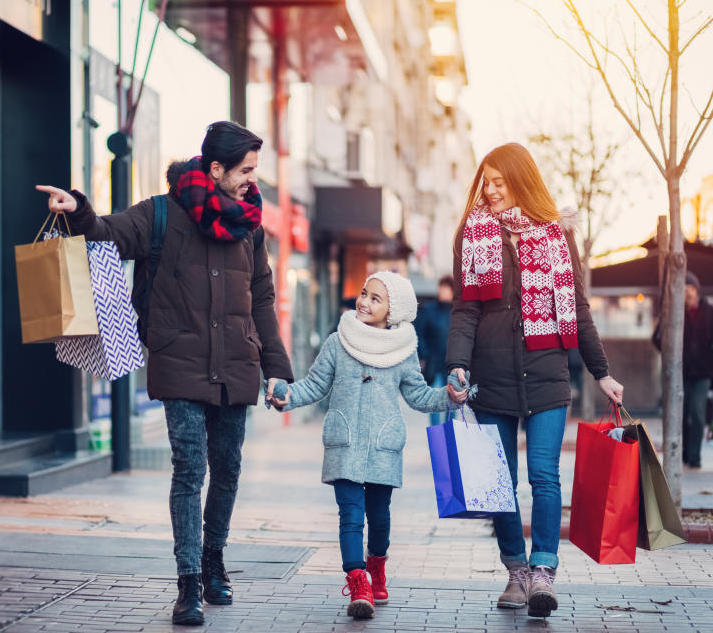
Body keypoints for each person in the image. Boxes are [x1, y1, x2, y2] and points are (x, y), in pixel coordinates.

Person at [36, 121, 293, 626]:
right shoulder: (160, 213)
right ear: (215, 169)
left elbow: (261, 298)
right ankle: (189, 584)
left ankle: (214, 560)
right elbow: (106, 232)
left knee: (229, 469)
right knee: (189, 470)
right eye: (245, 170)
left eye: (253, 170)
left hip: (235, 364)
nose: (251, 179)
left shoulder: (250, 225)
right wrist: (78, 210)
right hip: (179, 362)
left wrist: (275, 370)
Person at [445, 143, 623, 618]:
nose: (491, 190)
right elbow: (465, 308)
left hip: (546, 374)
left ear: (522, 180)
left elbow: (578, 309)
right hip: (492, 375)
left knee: (544, 475)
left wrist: (601, 372)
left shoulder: (557, 235)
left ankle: (543, 570)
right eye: (486, 181)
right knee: (498, 482)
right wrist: (457, 364)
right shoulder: (473, 234)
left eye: (500, 181)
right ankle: (516, 571)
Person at [267, 271, 465, 620]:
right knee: (350, 516)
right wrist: (288, 397)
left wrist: (448, 397)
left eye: (376, 298)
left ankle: (377, 566)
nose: (364, 301)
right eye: (363, 293)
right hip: (344, 441)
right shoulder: (337, 341)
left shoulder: (403, 350)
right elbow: (314, 385)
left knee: (380, 517)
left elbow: (418, 395)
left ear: (394, 311)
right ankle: (358, 580)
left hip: (383, 445)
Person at [652, 271, 713, 469]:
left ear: (696, 290)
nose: (687, 294)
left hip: (703, 373)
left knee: (697, 413)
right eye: (684, 290)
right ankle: (685, 453)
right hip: (680, 372)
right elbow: (657, 339)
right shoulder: (673, 313)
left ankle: (694, 456)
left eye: (690, 289)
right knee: (682, 413)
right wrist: (670, 354)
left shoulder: (709, 312)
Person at [415, 275, 454, 424]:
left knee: (452, 403)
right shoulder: (429, 310)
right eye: (441, 288)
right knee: (435, 401)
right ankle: (437, 438)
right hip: (434, 363)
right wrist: (424, 354)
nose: (443, 291)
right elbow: (419, 335)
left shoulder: (458, 312)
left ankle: (449, 434)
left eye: (447, 288)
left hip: (452, 365)